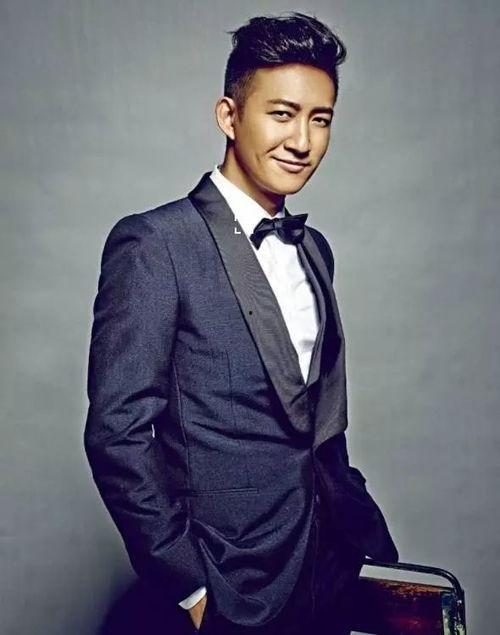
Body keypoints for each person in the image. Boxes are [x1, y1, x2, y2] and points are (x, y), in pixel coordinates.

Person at [84, 12, 398, 635]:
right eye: (282, 114)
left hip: (329, 567)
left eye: (321, 119)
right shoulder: (156, 244)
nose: (302, 141)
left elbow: (316, 423)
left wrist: (353, 532)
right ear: (229, 116)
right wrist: (188, 584)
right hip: (227, 581)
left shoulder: (315, 251)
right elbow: (117, 432)